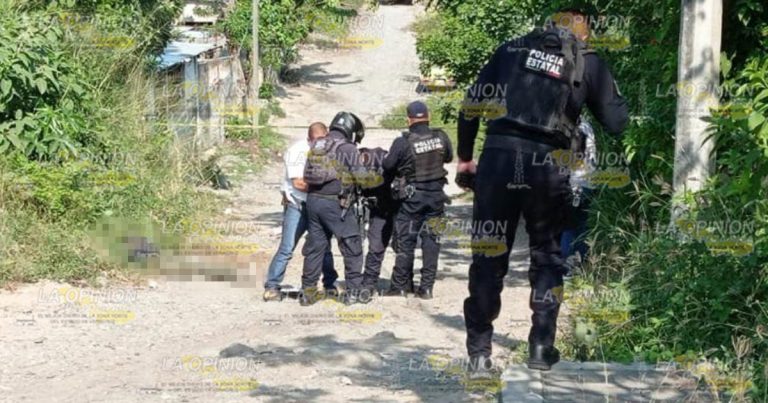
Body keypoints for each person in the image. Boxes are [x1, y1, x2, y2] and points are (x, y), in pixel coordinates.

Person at [456, 9, 628, 372]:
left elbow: (470, 106)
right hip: (547, 167)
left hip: (499, 158)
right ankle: (540, 348)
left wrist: (465, 159)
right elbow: (616, 123)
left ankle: (479, 353)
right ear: (585, 36)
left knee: (488, 255)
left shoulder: (511, 50)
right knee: (547, 257)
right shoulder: (588, 63)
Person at [382, 101, 453, 299]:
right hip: (437, 198)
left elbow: (388, 166)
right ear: (428, 116)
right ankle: (427, 288)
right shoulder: (441, 136)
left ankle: (401, 286)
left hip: (412, 199)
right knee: (432, 242)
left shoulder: (403, 142)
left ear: (408, 120)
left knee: (406, 242)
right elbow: (448, 157)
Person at [263, 123, 338, 301]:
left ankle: (330, 284)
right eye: (316, 141)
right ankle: (272, 286)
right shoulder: (297, 152)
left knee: (323, 247)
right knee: (287, 247)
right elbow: (298, 183)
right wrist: (326, 189)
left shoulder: (329, 150)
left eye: (324, 140)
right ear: (309, 139)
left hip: (316, 204)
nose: (320, 145)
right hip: (298, 205)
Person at [300, 111, 368, 305]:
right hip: (336, 204)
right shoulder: (347, 148)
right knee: (351, 245)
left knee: (315, 248)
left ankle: (308, 292)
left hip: (313, 201)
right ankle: (354, 292)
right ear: (350, 131)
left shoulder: (318, 145)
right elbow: (363, 178)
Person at [561, 118, 597, 278]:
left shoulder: (567, 128)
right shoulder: (587, 126)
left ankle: (567, 267)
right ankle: (584, 265)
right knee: (583, 227)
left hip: (572, 184)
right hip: (589, 183)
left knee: (567, 227)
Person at [357, 146, 396, 294]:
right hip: (375, 207)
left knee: (385, 246)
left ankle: (402, 282)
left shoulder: (383, 160)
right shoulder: (355, 161)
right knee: (374, 246)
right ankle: (368, 283)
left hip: (388, 206)